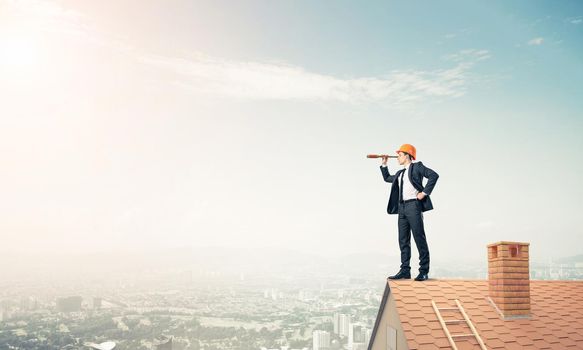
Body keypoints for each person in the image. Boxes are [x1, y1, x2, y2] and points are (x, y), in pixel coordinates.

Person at [380, 144, 439, 281]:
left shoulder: (417, 167)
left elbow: (434, 176)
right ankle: (405, 270)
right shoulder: (400, 174)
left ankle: (423, 271)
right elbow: (387, 178)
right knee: (403, 240)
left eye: (399, 155)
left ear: (407, 155)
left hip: (414, 206)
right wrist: (384, 164)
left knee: (419, 238)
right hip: (402, 208)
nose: (398, 158)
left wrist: (424, 193)